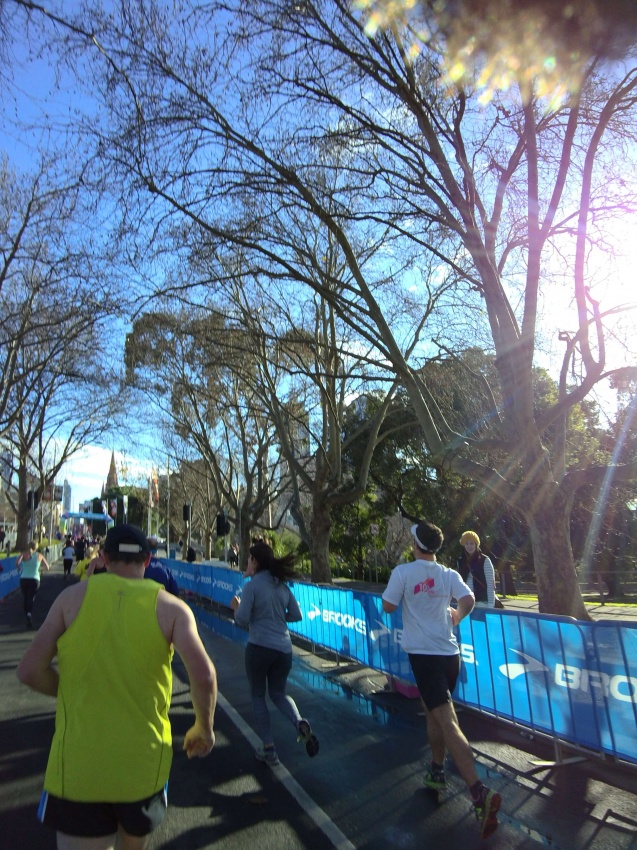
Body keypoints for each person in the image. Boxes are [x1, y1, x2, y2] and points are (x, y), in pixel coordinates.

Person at [17, 523, 217, 850]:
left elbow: (29, 670)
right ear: (147, 560)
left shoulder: (71, 599)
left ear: (105, 558)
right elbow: (204, 675)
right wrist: (203, 728)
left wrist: (71, 689)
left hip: (78, 768)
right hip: (143, 767)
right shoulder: (172, 608)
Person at [381, 521, 501, 839]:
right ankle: (436, 770)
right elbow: (469, 599)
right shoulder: (448, 573)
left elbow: (388, 606)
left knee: (447, 721)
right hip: (450, 656)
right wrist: (457, 615)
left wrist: (404, 594)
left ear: (415, 546)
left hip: (425, 658)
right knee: (432, 711)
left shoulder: (403, 573)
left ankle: (479, 792)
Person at [229, 540, 318, 766]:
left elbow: (242, 619)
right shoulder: (281, 585)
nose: (247, 563)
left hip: (259, 648)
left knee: (258, 696)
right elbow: (296, 615)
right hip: (284, 650)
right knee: (278, 693)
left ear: (255, 561)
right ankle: (299, 721)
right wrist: (278, 618)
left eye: (249, 559)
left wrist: (236, 606)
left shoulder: (252, 587)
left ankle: (269, 748)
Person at [456, 531, 497, 608]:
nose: (469, 546)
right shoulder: (460, 561)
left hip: (482, 602)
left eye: (472, 543)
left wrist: (490, 605)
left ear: (476, 545)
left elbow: (490, 585)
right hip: (466, 603)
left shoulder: (485, 560)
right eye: (467, 544)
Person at [16, 541, 51, 629]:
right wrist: (39, 569)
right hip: (35, 579)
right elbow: (47, 567)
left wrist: (19, 568)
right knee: (31, 597)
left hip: (24, 578)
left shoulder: (24, 554)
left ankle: (27, 615)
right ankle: (29, 613)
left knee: (26, 597)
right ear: (37, 547)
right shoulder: (39, 555)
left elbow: (17, 562)